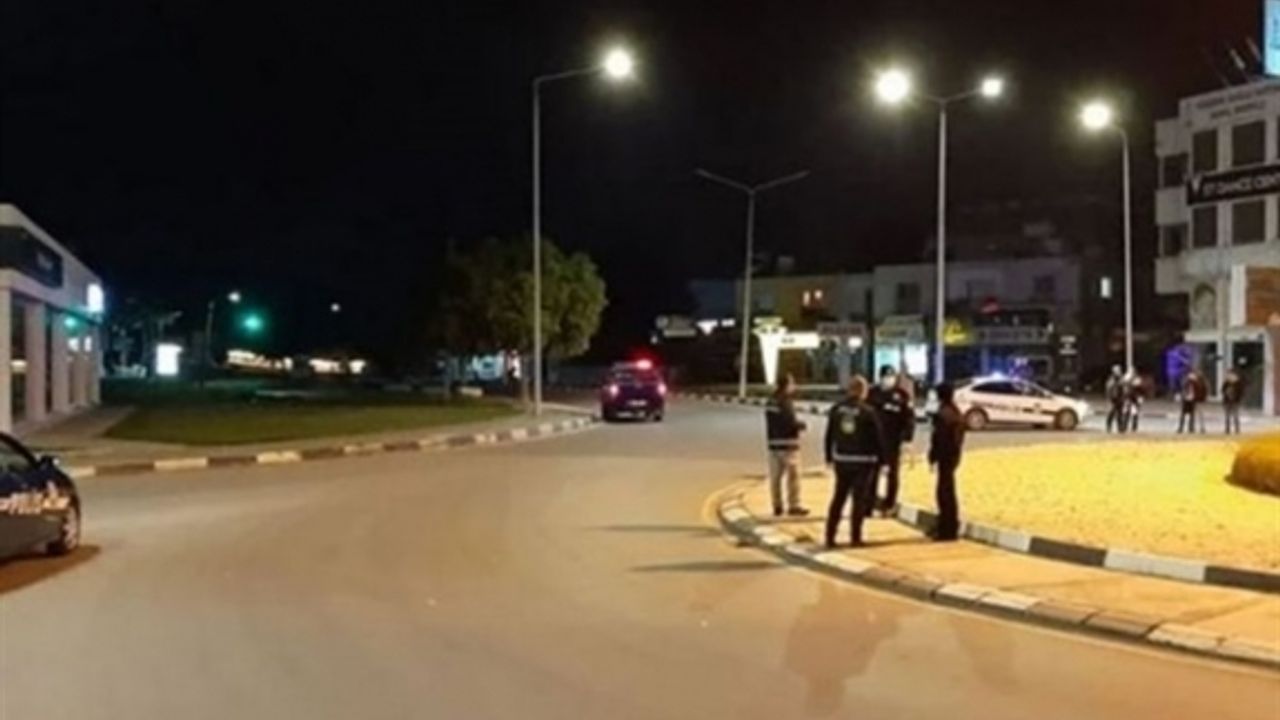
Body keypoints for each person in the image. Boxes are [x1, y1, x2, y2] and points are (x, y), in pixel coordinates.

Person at [823, 375, 885, 548]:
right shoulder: (868, 412)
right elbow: (878, 438)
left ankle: (830, 536)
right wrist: (883, 461)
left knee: (839, 498)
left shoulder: (837, 409)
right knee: (858, 501)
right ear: (862, 391)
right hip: (863, 461)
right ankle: (855, 537)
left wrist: (828, 456)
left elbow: (829, 435)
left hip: (842, 459)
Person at [868, 365, 915, 517]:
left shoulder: (901, 395)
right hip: (873, 441)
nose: (888, 379)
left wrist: (907, 439)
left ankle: (889, 504)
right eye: (885, 377)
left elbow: (909, 419)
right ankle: (868, 504)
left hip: (893, 441)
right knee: (871, 474)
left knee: (893, 474)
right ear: (880, 377)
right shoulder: (872, 394)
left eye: (891, 377)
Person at [765, 373, 809, 517]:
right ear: (787, 385)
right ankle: (794, 505)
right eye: (792, 383)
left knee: (775, 478)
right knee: (793, 477)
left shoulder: (770, 401)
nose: (794, 386)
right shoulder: (785, 402)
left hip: (773, 444)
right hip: (788, 445)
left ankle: (777, 505)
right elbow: (790, 422)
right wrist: (801, 425)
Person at [928, 382, 967, 542]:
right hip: (953, 456)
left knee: (944, 493)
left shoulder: (942, 415)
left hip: (945, 457)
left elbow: (938, 439)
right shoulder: (956, 412)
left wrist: (933, 456)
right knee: (948, 491)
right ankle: (948, 525)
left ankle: (947, 528)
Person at [1104, 365, 1126, 434]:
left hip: (1120, 398)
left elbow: (1124, 388)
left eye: (1119, 370)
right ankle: (1108, 427)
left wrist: (1124, 397)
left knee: (1120, 414)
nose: (1118, 372)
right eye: (1117, 371)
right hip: (1113, 399)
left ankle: (1120, 428)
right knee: (1111, 412)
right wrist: (1110, 397)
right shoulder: (1112, 379)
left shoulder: (1121, 379)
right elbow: (1108, 389)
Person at [1222, 369, 1245, 435]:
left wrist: (1237, 397)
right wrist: (1226, 392)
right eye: (1228, 374)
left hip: (1235, 401)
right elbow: (1222, 390)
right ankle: (1227, 429)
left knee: (1235, 415)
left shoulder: (1238, 382)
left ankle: (1237, 429)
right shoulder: (1226, 382)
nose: (1229, 375)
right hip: (1227, 401)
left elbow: (1241, 392)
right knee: (1227, 416)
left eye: (1230, 374)